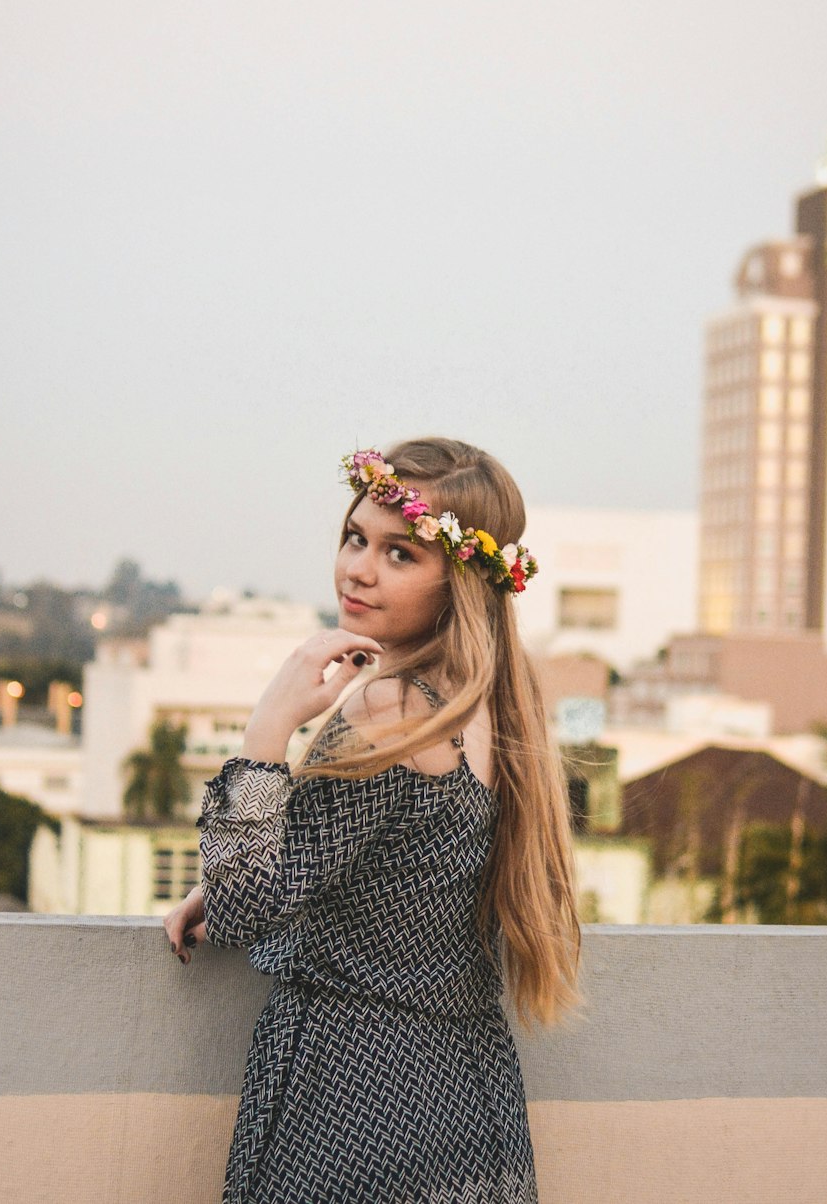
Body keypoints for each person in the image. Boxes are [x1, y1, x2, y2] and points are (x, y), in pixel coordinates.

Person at [163, 437, 581, 1203]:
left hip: (352, 1094)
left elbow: (240, 906)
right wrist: (279, 873)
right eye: (356, 537)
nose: (358, 567)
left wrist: (269, 726)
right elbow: (403, 879)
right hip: (466, 1092)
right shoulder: (489, 707)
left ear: (460, 578)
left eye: (400, 554)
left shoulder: (394, 711)